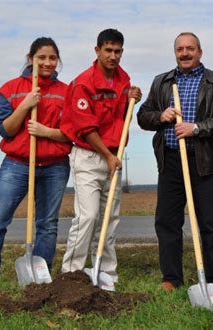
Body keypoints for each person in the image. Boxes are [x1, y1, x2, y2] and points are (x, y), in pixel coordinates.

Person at [137, 32, 213, 291]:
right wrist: (161, 116)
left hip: (203, 161)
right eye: (180, 49)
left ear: (200, 52)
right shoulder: (162, 82)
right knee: (167, 221)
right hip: (170, 161)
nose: (185, 53)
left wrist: (196, 128)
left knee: (209, 223)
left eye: (190, 49)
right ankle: (171, 278)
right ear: (175, 53)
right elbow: (143, 116)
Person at [0, 37, 71, 286]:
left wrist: (46, 131)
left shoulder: (67, 92)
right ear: (30, 59)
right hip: (17, 164)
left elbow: (72, 132)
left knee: (47, 223)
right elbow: (6, 130)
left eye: (52, 58)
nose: (48, 63)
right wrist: (26, 105)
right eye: (42, 58)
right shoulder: (11, 88)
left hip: (54, 165)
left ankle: (41, 273)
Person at [59, 28, 141, 289]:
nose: (113, 56)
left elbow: (118, 119)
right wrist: (107, 155)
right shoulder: (83, 82)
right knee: (89, 216)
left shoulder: (123, 81)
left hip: (113, 158)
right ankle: (71, 275)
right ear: (97, 51)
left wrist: (132, 101)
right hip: (90, 156)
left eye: (117, 51)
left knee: (110, 219)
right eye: (108, 50)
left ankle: (106, 276)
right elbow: (86, 127)